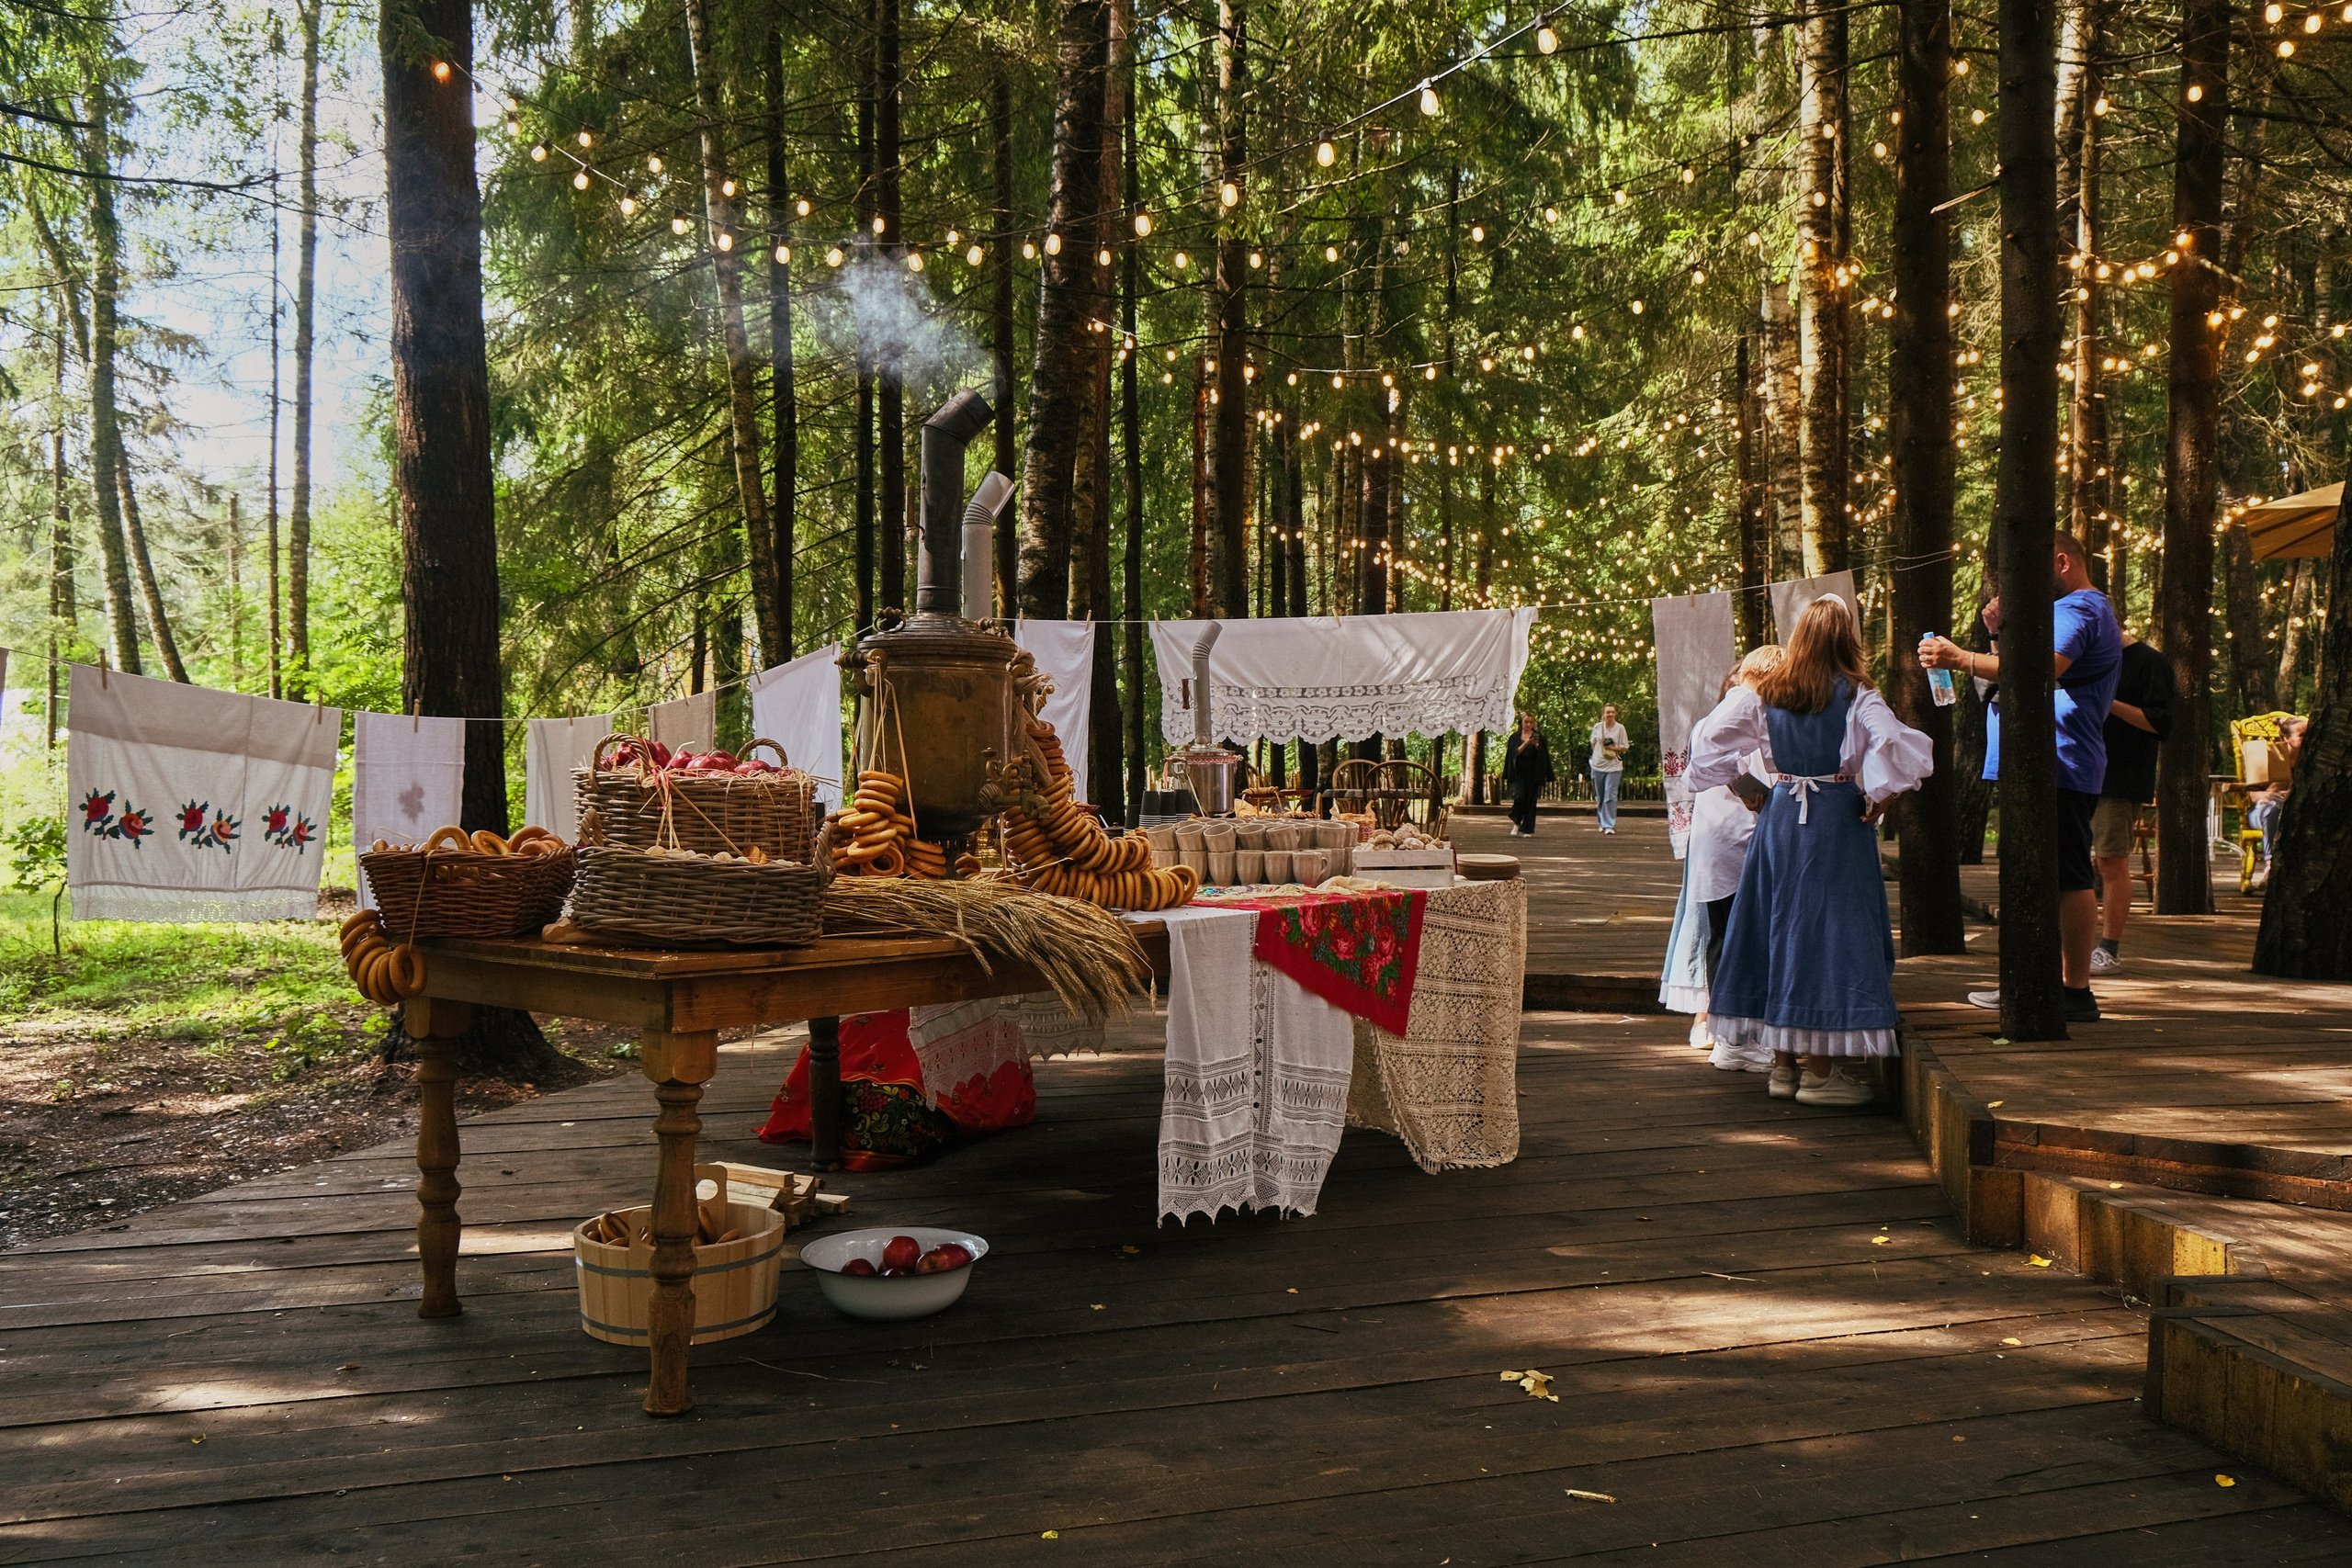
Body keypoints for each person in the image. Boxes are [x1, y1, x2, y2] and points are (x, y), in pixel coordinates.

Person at [1689, 597, 1932, 1107]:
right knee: (1826, 936)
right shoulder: (1857, 692)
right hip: (1834, 824)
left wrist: (1740, 779)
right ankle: (1820, 1075)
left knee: (1777, 928)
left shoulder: (1769, 691)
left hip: (1780, 819)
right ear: (1846, 638)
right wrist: (1881, 793)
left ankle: (1783, 1069)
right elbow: (1895, 744)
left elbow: (1706, 738)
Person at [1920, 530, 2123, 1023]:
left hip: (2062, 761)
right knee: (2036, 874)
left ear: (2060, 563)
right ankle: (2031, 977)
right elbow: (2016, 670)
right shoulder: (2077, 609)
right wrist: (1993, 637)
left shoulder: (2079, 610)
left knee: (2070, 874)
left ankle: (2075, 989)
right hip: (2041, 759)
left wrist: (1959, 658)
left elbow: (2040, 669)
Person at [1659, 646, 1782, 1058]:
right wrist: (1752, 790)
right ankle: (1736, 1038)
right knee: (1736, 937)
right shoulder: (1746, 716)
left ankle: (1731, 1033)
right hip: (1735, 839)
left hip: (1722, 840)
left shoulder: (1720, 719)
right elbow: (1747, 772)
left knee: (1725, 938)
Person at [2087, 631, 2174, 971]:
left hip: (2118, 778)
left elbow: (2161, 722)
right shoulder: (2077, 658)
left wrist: (2107, 702)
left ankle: (2108, 948)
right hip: (2073, 771)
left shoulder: (2150, 663)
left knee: (2111, 861)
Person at [1501, 712, 1555, 838]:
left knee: (1531, 800)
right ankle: (1516, 821)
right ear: (1521, 722)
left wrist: (1537, 746)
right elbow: (1513, 754)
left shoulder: (1539, 737)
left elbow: (1544, 757)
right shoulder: (1514, 737)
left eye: (1531, 722)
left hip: (1534, 772)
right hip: (1518, 772)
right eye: (1526, 722)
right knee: (1520, 797)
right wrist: (1525, 744)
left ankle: (1527, 829)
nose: (1529, 724)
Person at [1589, 703, 1629, 834]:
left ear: (1615, 713)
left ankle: (1609, 825)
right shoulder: (1597, 727)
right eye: (1608, 712)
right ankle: (1601, 822)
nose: (1610, 715)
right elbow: (1593, 744)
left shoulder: (1620, 728)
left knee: (1610, 796)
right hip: (1597, 766)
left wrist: (1612, 749)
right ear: (1604, 714)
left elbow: (1625, 747)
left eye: (1612, 712)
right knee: (1600, 796)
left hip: (1614, 767)